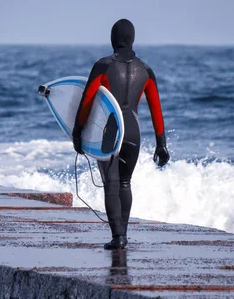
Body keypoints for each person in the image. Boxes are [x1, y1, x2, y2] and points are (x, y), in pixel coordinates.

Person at [72, 18, 170, 250]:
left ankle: (118, 238)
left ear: (113, 39)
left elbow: (86, 101)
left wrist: (78, 132)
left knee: (111, 183)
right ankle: (123, 235)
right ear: (132, 39)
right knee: (125, 183)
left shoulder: (103, 66)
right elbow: (156, 109)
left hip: (110, 131)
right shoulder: (146, 70)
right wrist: (161, 143)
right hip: (134, 132)